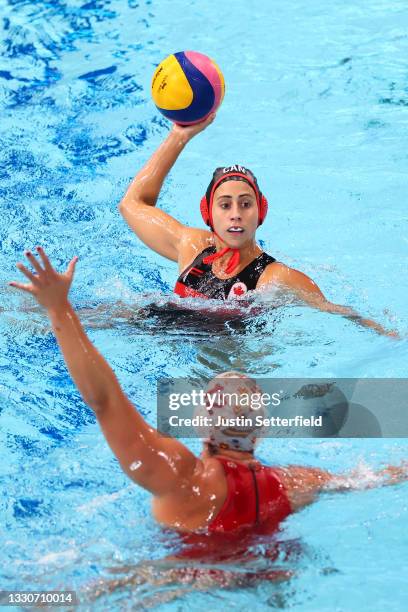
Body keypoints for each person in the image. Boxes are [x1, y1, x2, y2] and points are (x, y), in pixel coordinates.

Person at [9, 249, 407, 538]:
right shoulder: (293, 484)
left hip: (182, 579)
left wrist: (59, 310)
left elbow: (104, 399)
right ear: (261, 430)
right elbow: (375, 477)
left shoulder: (178, 476)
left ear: (201, 423)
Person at [118, 115, 397, 336]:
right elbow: (132, 204)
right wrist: (179, 135)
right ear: (208, 213)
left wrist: (389, 335)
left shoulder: (274, 278)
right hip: (171, 337)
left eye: (245, 204)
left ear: (260, 211)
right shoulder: (192, 247)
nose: (235, 214)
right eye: (225, 205)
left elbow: (338, 312)